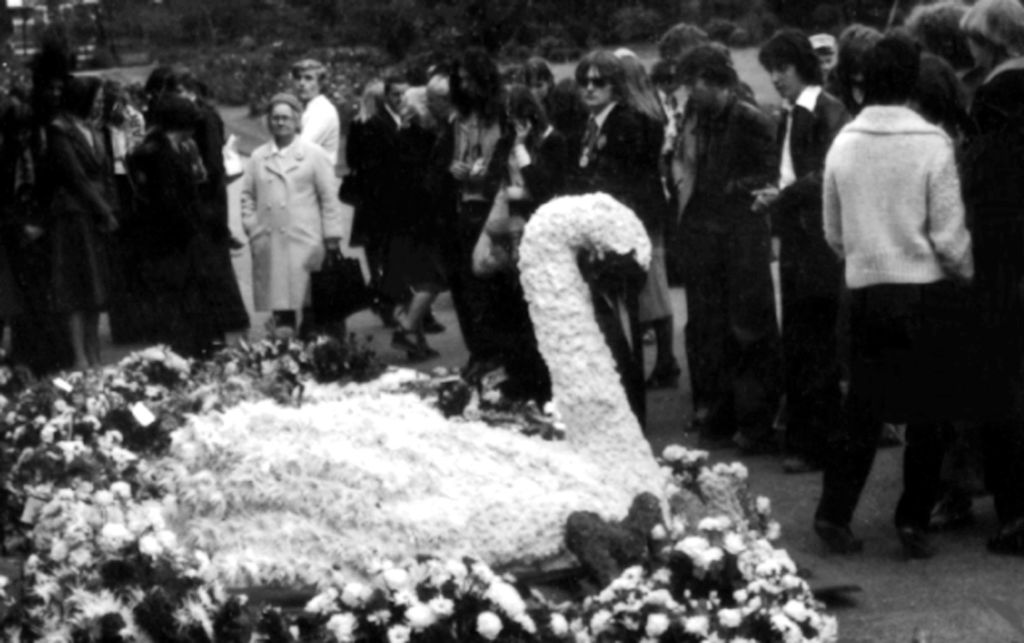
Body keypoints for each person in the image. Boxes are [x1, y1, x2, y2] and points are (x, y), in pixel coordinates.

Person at [815, 33, 974, 559]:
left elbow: (833, 231)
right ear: (911, 80)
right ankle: (912, 520)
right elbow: (949, 236)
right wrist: (965, 274)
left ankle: (833, 514)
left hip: (863, 289)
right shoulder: (932, 143)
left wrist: (863, 256)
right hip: (924, 290)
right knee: (930, 412)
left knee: (861, 407)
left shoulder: (843, 143)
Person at [673, 45, 782, 452]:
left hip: (742, 234)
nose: (688, 93)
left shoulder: (750, 118)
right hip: (708, 235)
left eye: (694, 84)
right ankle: (720, 419)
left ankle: (755, 424)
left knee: (749, 330)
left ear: (717, 82)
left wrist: (729, 190)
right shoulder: (698, 116)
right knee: (711, 329)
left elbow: (771, 174)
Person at [756, 30, 848, 474]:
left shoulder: (827, 109)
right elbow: (791, 175)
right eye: (770, 69)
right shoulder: (791, 113)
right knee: (799, 341)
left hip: (820, 241)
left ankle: (821, 444)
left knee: (818, 345)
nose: (775, 77)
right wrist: (775, 193)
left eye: (783, 68)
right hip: (797, 239)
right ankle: (806, 440)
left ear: (804, 67)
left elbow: (829, 174)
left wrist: (783, 196)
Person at [957, 0, 1024, 555]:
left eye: (975, 41)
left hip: (1003, 257)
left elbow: (984, 186)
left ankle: (1016, 511)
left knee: (1004, 385)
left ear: (992, 42)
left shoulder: (997, 96)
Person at [240, 93, 345, 337]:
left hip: (305, 241)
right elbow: (247, 196)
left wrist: (332, 236)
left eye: (286, 118)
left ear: (297, 121)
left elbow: (329, 197)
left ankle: (317, 351)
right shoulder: (258, 157)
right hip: (270, 241)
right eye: (275, 118)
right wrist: (252, 227)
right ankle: (285, 355)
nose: (280, 123)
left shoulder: (313, 154)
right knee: (281, 308)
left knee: (311, 303)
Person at [614, 49, 679, 391]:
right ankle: (664, 359)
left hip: (640, 206)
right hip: (652, 202)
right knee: (654, 281)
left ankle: (664, 361)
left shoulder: (634, 116)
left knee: (650, 284)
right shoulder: (652, 109)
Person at [45, 76, 118, 371]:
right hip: (74, 217)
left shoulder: (93, 129)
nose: (100, 104)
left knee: (95, 288)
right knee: (76, 289)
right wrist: (105, 211)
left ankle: (94, 352)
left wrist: (111, 209)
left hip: (96, 216)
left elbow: (104, 172)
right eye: (96, 99)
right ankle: (79, 357)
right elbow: (76, 177)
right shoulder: (59, 130)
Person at [383, 86, 446, 362]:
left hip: (401, 218)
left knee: (419, 279)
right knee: (431, 280)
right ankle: (407, 330)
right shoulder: (424, 137)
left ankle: (416, 342)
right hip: (420, 219)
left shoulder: (401, 135)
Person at [292, 58, 340, 166]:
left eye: (308, 78)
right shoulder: (306, 108)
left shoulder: (323, 111)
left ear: (321, 84)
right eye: (298, 78)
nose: (301, 83)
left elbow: (300, 150)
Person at [831, 25, 883, 116]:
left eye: (864, 69)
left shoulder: (885, 91)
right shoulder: (833, 89)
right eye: (854, 69)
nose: (860, 76)